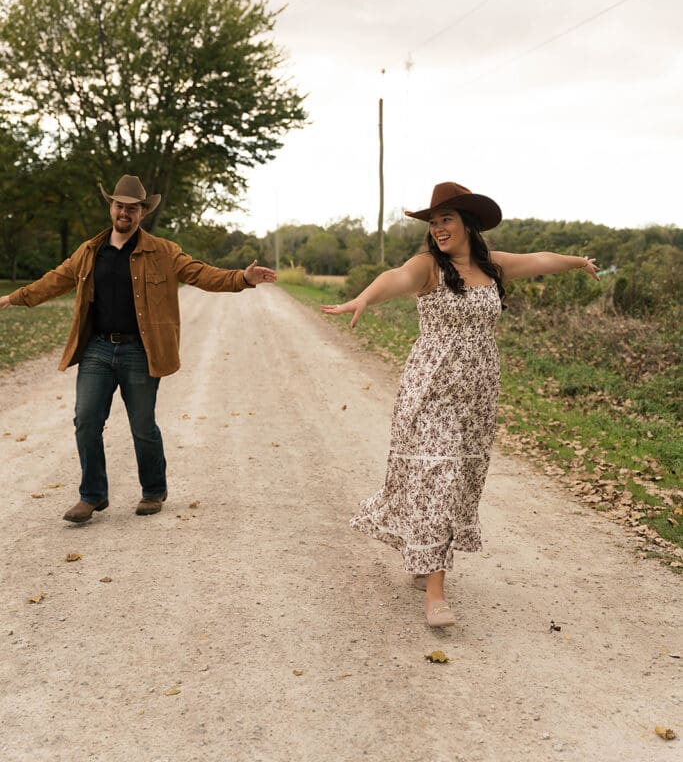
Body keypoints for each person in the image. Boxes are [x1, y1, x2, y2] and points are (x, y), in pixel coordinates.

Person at [322, 181, 599, 628]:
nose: (438, 229)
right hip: (431, 390)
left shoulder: (492, 266)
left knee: (456, 483)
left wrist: (578, 262)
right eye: (433, 222)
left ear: (467, 223)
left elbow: (540, 260)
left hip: (478, 394)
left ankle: (424, 556)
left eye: (445, 219)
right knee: (440, 479)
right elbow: (395, 279)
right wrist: (364, 298)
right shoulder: (427, 266)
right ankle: (436, 594)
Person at [0, 174, 276, 524]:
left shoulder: (163, 252)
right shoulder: (89, 252)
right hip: (98, 350)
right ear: (111, 207)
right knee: (85, 421)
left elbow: (202, 274)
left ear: (143, 212)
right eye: (119, 206)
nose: (125, 213)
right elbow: (53, 281)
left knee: (143, 425)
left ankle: (153, 490)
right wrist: (13, 298)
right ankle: (92, 496)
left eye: (132, 208)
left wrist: (242, 279)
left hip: (140, 351)